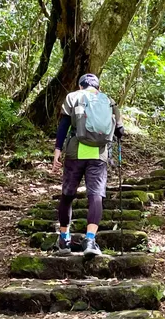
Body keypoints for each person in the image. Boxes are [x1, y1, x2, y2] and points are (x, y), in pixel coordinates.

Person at [52, 73, 124, 255]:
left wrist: (57, 150)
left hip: (75, 151)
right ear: (98, 87)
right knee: (96, 195)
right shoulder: (108, 100)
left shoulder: (73, 96)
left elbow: (64, 125)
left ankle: (64, 239)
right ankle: (90, 241)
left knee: (68, 194)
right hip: (99, 154)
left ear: (80, 86)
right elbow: (119, 130)